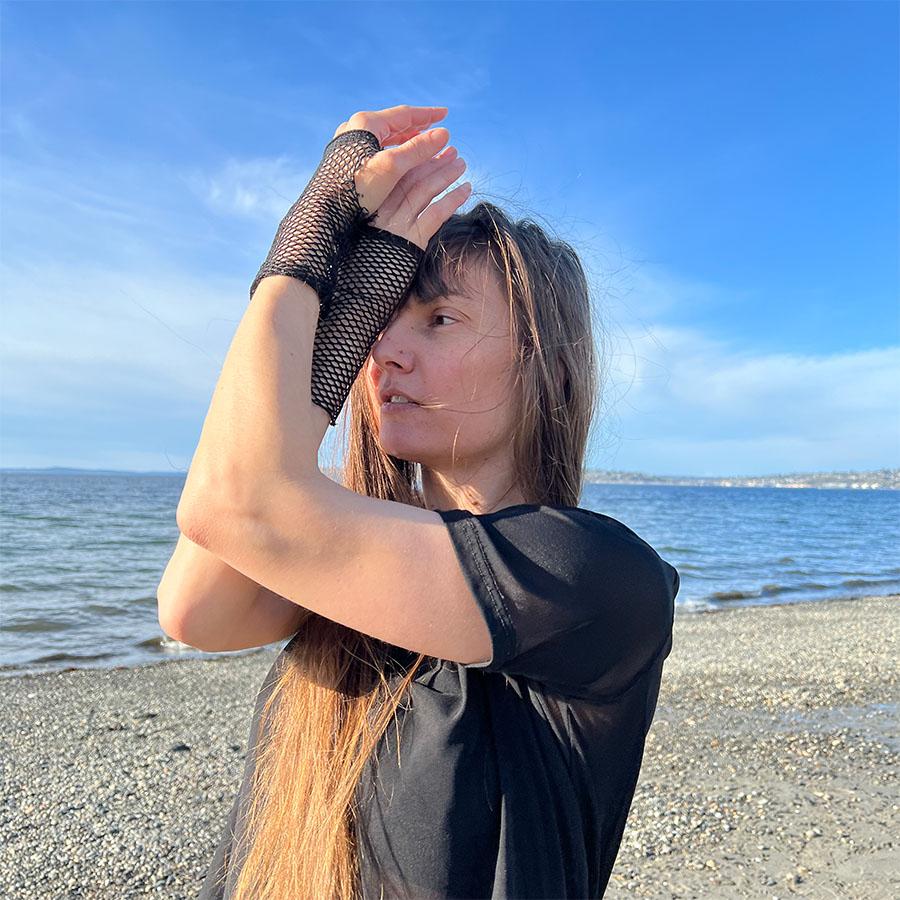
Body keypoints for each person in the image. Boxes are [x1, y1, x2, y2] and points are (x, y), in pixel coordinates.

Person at [161, 105, 680, 899]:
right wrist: (342, 322)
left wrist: (310, 238)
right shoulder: (342, 562)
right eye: (380, 321)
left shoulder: (594, 580)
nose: (385, 354)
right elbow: (195, 606)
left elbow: (235, 503)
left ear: (549, 368)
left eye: (439, 319)